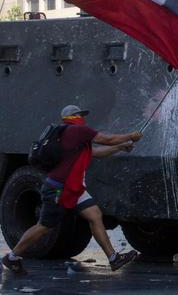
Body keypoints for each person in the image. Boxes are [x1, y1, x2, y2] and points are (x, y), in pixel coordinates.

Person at [2, 105, 142, 275]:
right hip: (59, 188)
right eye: (80, 114)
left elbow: (97, 153)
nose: (83, 117)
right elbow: (107, 139)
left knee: (95, 215)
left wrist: (120, 147)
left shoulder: (72, 137)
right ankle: (12, 256)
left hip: (75, 188)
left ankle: (113, 258)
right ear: (72, 117)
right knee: (45, 226)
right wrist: (130, 136)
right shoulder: (77, 132)